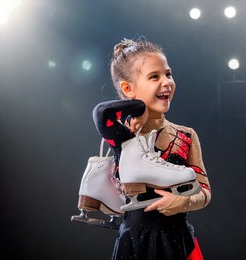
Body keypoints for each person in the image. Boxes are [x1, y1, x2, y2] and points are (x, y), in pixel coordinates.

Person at [92, 38, 212, 260]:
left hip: (179, 241)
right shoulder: (123, 135)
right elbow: (101, 113)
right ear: (128, 88)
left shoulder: (186, 135)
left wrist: (184, 202)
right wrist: (138, 109)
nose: (167, 82)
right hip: (136, 241)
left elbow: (205, 190)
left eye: (168, 74)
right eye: (154, 77)